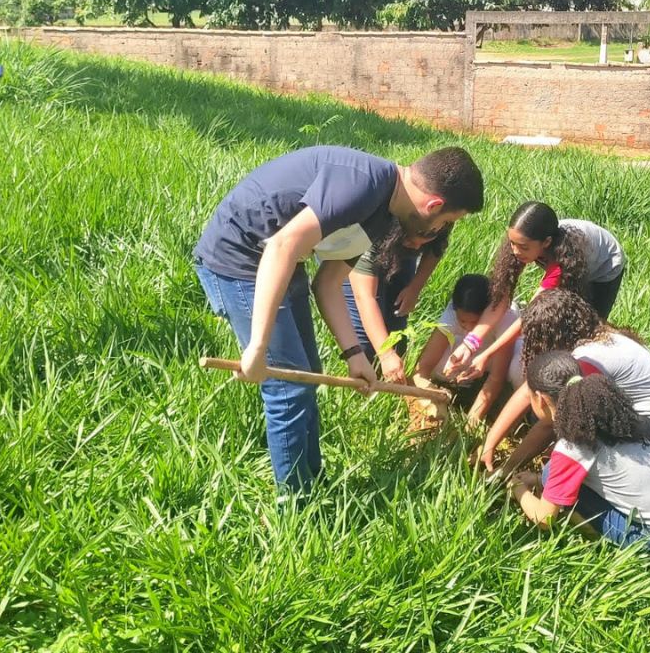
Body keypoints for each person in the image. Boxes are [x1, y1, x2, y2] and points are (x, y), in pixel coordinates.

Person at [193, 145, 484, 493]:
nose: (439, 230)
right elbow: (281, 246)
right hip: (239, 258)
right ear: (434, 205)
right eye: (446, 222)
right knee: (289, 390)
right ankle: (297, 509)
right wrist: (258, 346)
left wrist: (354, 355)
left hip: (282, 263)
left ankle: (311, 484)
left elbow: (329, 283)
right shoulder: (363, 185)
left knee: (308, 378)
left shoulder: (384, 211)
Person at [480, 288, 650, 474]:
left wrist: (507, 470)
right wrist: (490, 443)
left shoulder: (587, 360)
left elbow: (550, 423)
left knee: (574, 425)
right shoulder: (593, 335)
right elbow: (531, 388)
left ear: (552, 337)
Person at [507, 351, 650, 551]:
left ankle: (597, 538)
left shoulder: (571, 447)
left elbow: (544, 519)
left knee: (551, 476)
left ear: (540, 399)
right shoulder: (608, 414)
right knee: (552, 475)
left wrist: (517, 488)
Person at [445, 201, 624, 382]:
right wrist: (470, 344)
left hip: (605, 266)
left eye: (523, 247)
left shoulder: (562, 262)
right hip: (567, 251)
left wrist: (486, 355)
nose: (515, 251)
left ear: (546, 242)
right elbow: (499, 300)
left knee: (583, 330)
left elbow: (530, 316)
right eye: (512, 243)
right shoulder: (524, 240)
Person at [342, 226, 451, 383]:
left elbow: (437, 246)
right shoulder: (374, 227)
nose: (418, 248)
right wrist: (386, 354)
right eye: (416, 240)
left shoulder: (442, 219)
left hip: (400, 242)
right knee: (365, 340)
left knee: (396, 327)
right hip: (361, 246)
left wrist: (415, 287)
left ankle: (391, 387)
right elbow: (365, 297)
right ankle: (362, 388)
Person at [413, 274, 524, 425]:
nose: (468, 327)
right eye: (462, 321)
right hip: (469, 353)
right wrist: (430, 393)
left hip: (496, 353)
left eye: (474, 322)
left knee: (517, 367)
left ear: (487, 313)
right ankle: (462, 386)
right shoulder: (453, 312)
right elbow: (424, 367)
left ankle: (514, 399)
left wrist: (472, 420)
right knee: (439, 368)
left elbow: (497, 377)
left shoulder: (506, 317)